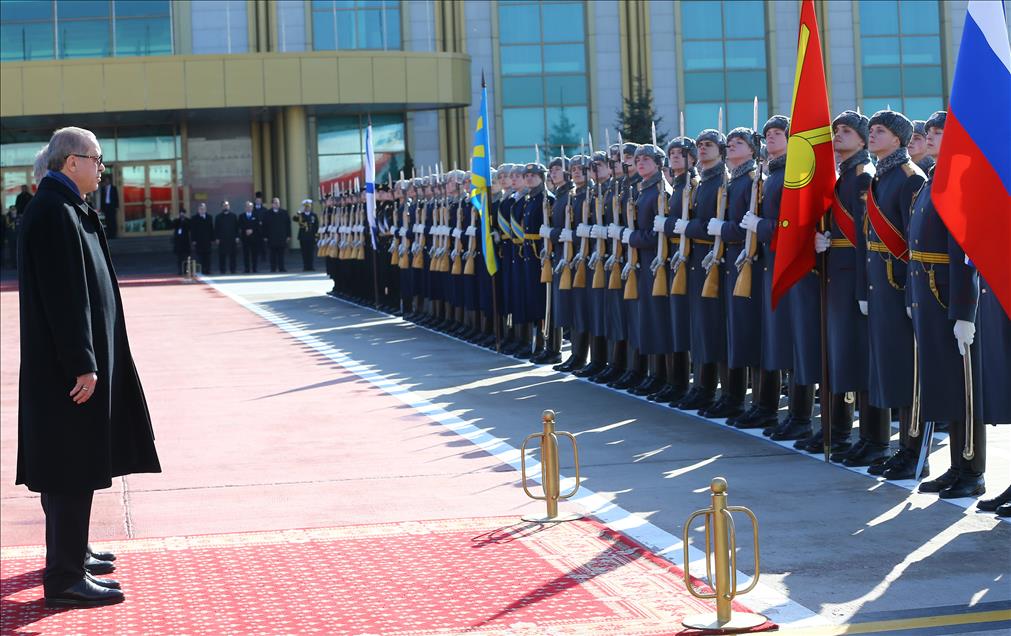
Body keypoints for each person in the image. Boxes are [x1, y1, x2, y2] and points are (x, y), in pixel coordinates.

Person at [17, 126, 161, 608]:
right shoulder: (56, 212)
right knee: (69, 468)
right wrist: (83, 361)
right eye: (97, 159)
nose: (102, 168)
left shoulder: (67, 207)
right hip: (69, 371)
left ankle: (72, 554)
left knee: (74, 463)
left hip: (75, 364)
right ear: (71, 161)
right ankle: (64, 578)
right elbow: (65, 296)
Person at [907, 111, 986, 499]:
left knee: (966, 388)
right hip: (929, 292)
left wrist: (964, 312)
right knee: (946, 385)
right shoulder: (933, 178)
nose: (932, 137)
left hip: (950, 294)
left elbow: (965, 253)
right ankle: (957, 466)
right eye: (932, 132)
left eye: (940, 132)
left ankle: (973, 469)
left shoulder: (960, 178)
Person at [859, 110, 925, 481]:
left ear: (899, 139)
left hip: (899, 284)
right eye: (871, 130)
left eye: (879, 131)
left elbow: (913, 244)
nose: (873, 135)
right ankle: (902, 448)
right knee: (888, 368)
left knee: (906, 371)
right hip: (879, 283)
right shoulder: (881, 177)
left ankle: (915, 451)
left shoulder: (908, 178)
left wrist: (911, 293)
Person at [264, 197, 291, 272]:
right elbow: (265, 226)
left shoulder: (284, 213)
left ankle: (281, 268)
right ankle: (273, 268)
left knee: (281, 254)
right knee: (272, 254)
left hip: (282, 237)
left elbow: (288, 225)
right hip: (271, 237)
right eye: (275, 203)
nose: (277, 204)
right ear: (272, 204)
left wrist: (288, 235)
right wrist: (265, 236)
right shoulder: (267, 213)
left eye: (278, 202)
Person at [214, 200, 239, 274]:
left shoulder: (233, 216)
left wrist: (237, 237)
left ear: (229, 206)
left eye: (227, 205)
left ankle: (233, 270)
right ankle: (222, 270)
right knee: (222, 256)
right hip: (222, 239)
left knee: (233, 255)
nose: (226, 206)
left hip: (232, 238)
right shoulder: (218, 217)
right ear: (222, 207)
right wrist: (217, 238)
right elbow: (216, 229)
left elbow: (236, 227)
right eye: (224, 205)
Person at [189, 202, 214, 275]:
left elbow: (211, 229)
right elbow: (193, 230)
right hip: (199, 240)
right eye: (201, 209)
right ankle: (202, 269)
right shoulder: (194, 218)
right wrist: (193, 240)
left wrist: (212, 239)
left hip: (207, 240)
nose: (202, 210)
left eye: (204, 209)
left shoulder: (209, 217)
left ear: (205, 209)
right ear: (198, 209)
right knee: (200, 256)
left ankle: (208, 270)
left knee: (208, 256)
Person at [296, 198, 319, 271]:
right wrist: (299, 211)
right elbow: (295, 219)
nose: (307, 208)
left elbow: (316, 226)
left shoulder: (313, 215)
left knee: (311, 252)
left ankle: (311, 266)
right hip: (303, 237)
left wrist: (316, 236)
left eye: (308, 206)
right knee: (304, 252)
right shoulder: (301, 215)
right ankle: (305, 266)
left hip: (311, 236)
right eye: (305, 207)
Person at [238, 201, 261, 273]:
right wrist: (246, 230)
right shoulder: (241, 216)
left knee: (254, 254)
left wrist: (252, 230)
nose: (249, 208)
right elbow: (240, 225)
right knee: (246, 254)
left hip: (254, 238)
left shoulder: (256, 215)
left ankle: (254, 268)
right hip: (245, 238)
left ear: (252, 207)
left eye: (250, 206)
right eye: (247, 207)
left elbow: (258, 226)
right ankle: (247, 269)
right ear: (245, 208)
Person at [172, 205, 191, 275]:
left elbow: (189, 227)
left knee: (186, 257)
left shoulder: (188, 220)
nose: (182, 214)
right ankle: (180, 270)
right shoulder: (176, 220)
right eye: (181, 213)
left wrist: (184, 221)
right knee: (179, 258)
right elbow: (173, 225)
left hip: (185, 242)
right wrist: (178, 220)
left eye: (183, 213)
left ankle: (186, 270)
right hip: (178, 242)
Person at [98, 174, 118, 239]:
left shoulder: (113, 188)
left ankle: (113, 234)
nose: (106, 181)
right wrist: (101, 207)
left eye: (107, 180)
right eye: (105, 180)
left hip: (112, 206)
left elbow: (116, 197)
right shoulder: (103, 188)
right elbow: (102, 198)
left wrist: (116, 206)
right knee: (107, 221)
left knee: (113, 221)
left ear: (110, 181)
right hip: (106, 206)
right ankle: (109, 234)